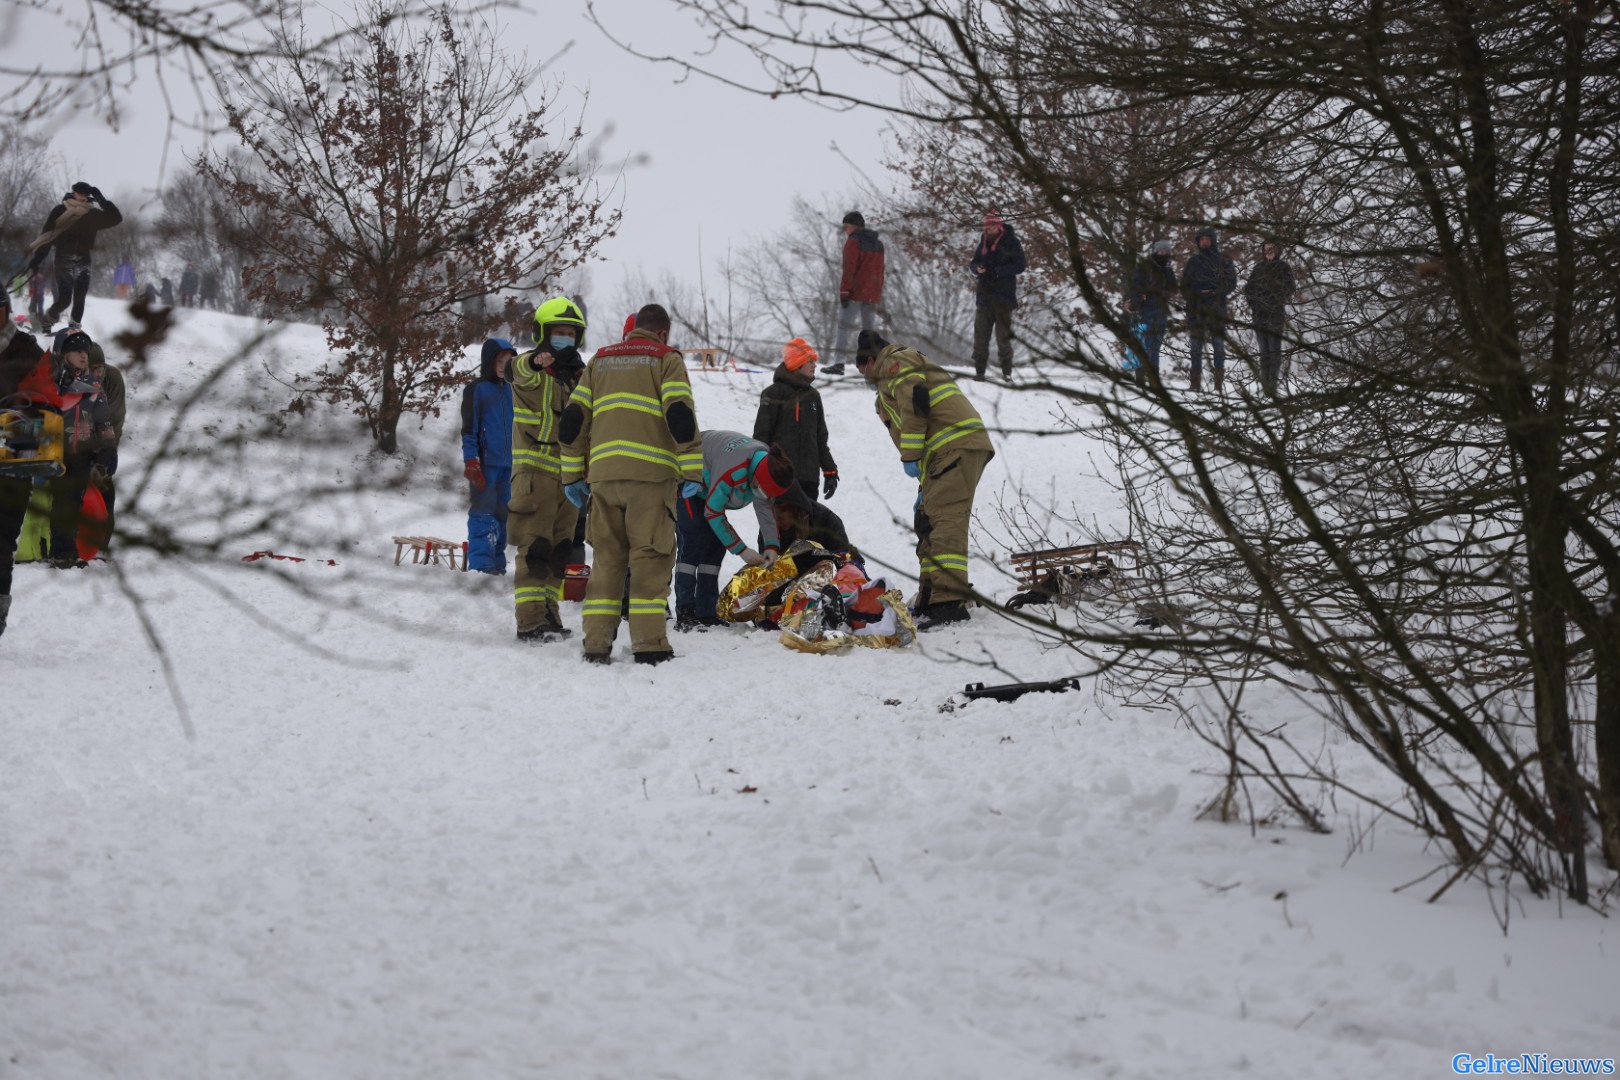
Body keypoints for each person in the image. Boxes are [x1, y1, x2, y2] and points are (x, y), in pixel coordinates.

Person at [559, 303, 702, 665]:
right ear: (663, 333)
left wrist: (573, 475)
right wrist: (692, 471)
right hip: (651, 480)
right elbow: (680, 416)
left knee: (607, 560)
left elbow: (573, 421)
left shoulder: (600, 360)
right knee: (649, 559)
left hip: (604, 479)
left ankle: (595, 644)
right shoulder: (666, 359)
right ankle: (650, 644)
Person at [855, 330, 993, 629]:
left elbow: (916, 402)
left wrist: (911, 456)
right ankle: (932, 596)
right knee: (927, 519)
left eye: (861, 370)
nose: (863, 377)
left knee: (945, 520)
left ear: (868, 361)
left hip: (954, 445)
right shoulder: (885, 390)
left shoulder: (896, 361)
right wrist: (922, 480)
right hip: (944, 454)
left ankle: (948, 602)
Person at [508, 297, 588, 641]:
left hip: (567, 479)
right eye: (558, 333)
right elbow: (516, 370)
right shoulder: (533, 371)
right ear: (542, 334)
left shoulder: (577, 379)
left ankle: (550, 615)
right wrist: (537, 362)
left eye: (570, 334)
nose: (565, 339)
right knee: (534, 549)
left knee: (559, 554)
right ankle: (529, 620)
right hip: (535, 474)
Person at [675, 431, 795, 632]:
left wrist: (772, 546)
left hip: (708, 486)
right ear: (758, 479)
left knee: (715, 545)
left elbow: (765, 508)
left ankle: (706, 611)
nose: (765, 497)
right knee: (694, 539)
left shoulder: (767, 465)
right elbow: (713, 512)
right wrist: (742, 550)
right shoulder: (734, 469)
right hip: (687, 479)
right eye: (765, 492)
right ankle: (685, 611)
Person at [0, 289, 59, 640]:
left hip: (14, 457)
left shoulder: (26, 350)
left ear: (7, 312)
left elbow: (49, 402)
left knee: (2, 538)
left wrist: (26, 406)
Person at [48, 330, 115, 567]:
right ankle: (61, 553)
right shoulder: (51, 382)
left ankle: (75, 550)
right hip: (54, 451)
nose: (84, 356)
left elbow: (104, 421)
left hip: (83, 453)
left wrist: (108, 449)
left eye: (85, 352)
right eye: (77, 351)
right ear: (64, 354)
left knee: (76, 501)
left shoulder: (94, 386)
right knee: (63, 501)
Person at [23, 182, 123, 331]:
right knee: (64, 299)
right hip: (63, 260)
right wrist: (37, 259)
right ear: (74, 192)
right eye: (80, 193)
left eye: (86, 194)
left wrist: (100, 198)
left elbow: (116, 218)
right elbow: (47, 236)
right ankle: (47, 322)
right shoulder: (59, 211)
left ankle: (74, 330)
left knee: (79, 299)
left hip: (84, 260)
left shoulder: (92, 214)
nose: (83, 197)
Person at [752, 337, 837, 503]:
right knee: (777, 527)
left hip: (809, 480)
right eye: (810, 361)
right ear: (798, 363)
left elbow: (820, 439)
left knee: (807, 526)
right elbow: (761, 436)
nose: (815, 365)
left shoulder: (813, 396)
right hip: (779, 477)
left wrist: (830, 471)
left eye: (815, 361)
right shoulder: (773, 393)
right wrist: (757, 471)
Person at [460, 338, 515, 574]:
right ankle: (481, 566)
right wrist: (471, 460)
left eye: (508, 361)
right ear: (488, 361)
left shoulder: (513, 390)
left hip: (509, 465)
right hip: (484, 465)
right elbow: (469, 428)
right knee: (483, 514)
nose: (503, 365)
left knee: (502, 515)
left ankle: (497, 564)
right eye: (499, 360)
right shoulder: (477, 390)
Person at [969, 209, 1026, 381]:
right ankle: (979, 372)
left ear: (999, 225)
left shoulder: (1012, 242)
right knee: (980, 337)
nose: (989, 228)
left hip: (1004, 298)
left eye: (992, 224)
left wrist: (999, 271)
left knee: (1003, 338)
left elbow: (1021, 265)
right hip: (984, 297)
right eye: (987, 225)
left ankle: (1006, 373)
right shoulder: (983, 242)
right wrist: (976, 268)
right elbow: (973, 262)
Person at [1179, 227, 1237, 392]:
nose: (1204, 241)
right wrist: (1193, 296)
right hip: (1196, 308)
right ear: (1198, 241)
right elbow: (1183, 286)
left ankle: (1218, 385)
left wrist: (1215, 293)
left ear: (1212, 240)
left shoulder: (1223, 260)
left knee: (1218, 346)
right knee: (1195, 347)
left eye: (1207, 238)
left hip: (1216, 307)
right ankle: (1195, 384)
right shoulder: (1193, 261)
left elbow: (1231, 282)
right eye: (1201, 238)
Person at [829, 211, 884, 376]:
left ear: (853, 226)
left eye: (846, 226)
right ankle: (872, 365)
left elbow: (849, 268)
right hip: (872, 293)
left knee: (843, 327)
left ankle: (839, 363)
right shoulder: (878, 244)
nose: (845, 230)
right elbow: (881, 270)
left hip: (854, 292)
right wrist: (877, 292)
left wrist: (844, 291)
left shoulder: (853, 242)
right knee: (869, 331)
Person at [1243, 239, 1298, 396]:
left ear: (1277, 250)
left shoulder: (1283, 267)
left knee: (1274, 351)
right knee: (1263, 352)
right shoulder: (1258, 268)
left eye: (1272, 248)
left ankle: (1272, 387)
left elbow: (1290, 288)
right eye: (1266, 249)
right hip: (1259, 315)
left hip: (1275, 314)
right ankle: (1265, 386)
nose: (1269, 251)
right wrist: (1255, 304)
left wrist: (1274, 299)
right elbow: (1248, 289)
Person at [1128, 240, 1178, 384]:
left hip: (1161, 311)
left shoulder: (1167, 268)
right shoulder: (1144, 267)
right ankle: (1141, 378)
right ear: (1155, 251)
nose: (1164, 254)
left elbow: (1173, 288)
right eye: (1161, 251)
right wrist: (1139, 303)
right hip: (1145, 311)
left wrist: (1168, 271)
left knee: (1156, 345)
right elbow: (1136, 287)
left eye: (1167, 252)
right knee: (1145, 344)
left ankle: (1153, 379)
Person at [772, 482, 856, 562]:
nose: (777, 523)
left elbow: (844, 559)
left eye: (780, 518)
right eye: (773, 518)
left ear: (794, 510)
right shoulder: (769, 528)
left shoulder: (826, 520)